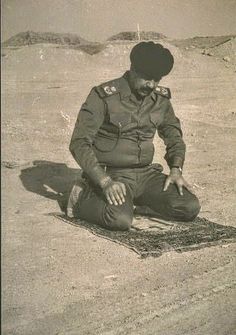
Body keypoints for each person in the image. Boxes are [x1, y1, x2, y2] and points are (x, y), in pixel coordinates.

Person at [69, 41, 200, 230]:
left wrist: (176, 169)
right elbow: (79, 143)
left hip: (146, 175)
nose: (151, 85)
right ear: (133, 69)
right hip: (112, 174)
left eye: (157, 79)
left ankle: (134, 203)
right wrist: (104, 181)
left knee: (189, 207)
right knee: (119, 220)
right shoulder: (103, 96)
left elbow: (173, 135)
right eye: (147, 78)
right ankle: (80, 197)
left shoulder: (160, 99)